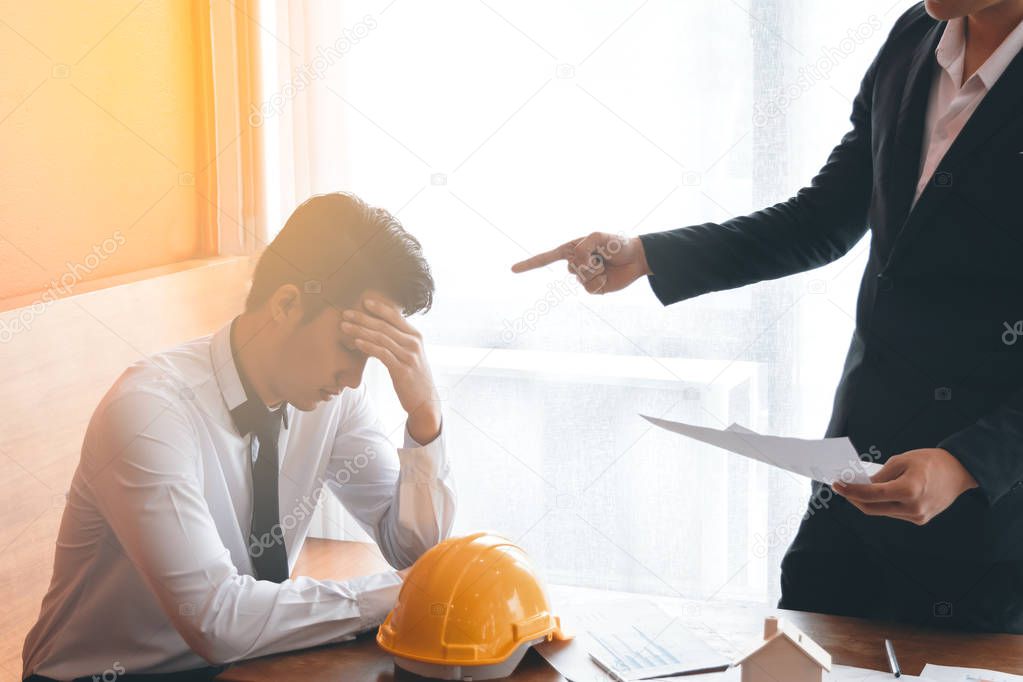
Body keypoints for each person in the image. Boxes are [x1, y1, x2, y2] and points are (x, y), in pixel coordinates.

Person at [513, 0, 1023, 632]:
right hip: (851, 489)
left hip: (991, 523)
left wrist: (970, 462)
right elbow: (821, 219)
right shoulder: (915, 35)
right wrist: (648, 255)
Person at [23, 193, 456, 680]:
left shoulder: (332, 400)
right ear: (288, 303)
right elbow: (214, 619)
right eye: (349, 345)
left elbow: (418, 552)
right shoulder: (149, 410)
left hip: (249, 663)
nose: (354, 378)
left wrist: (424, 413)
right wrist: (399, 594)